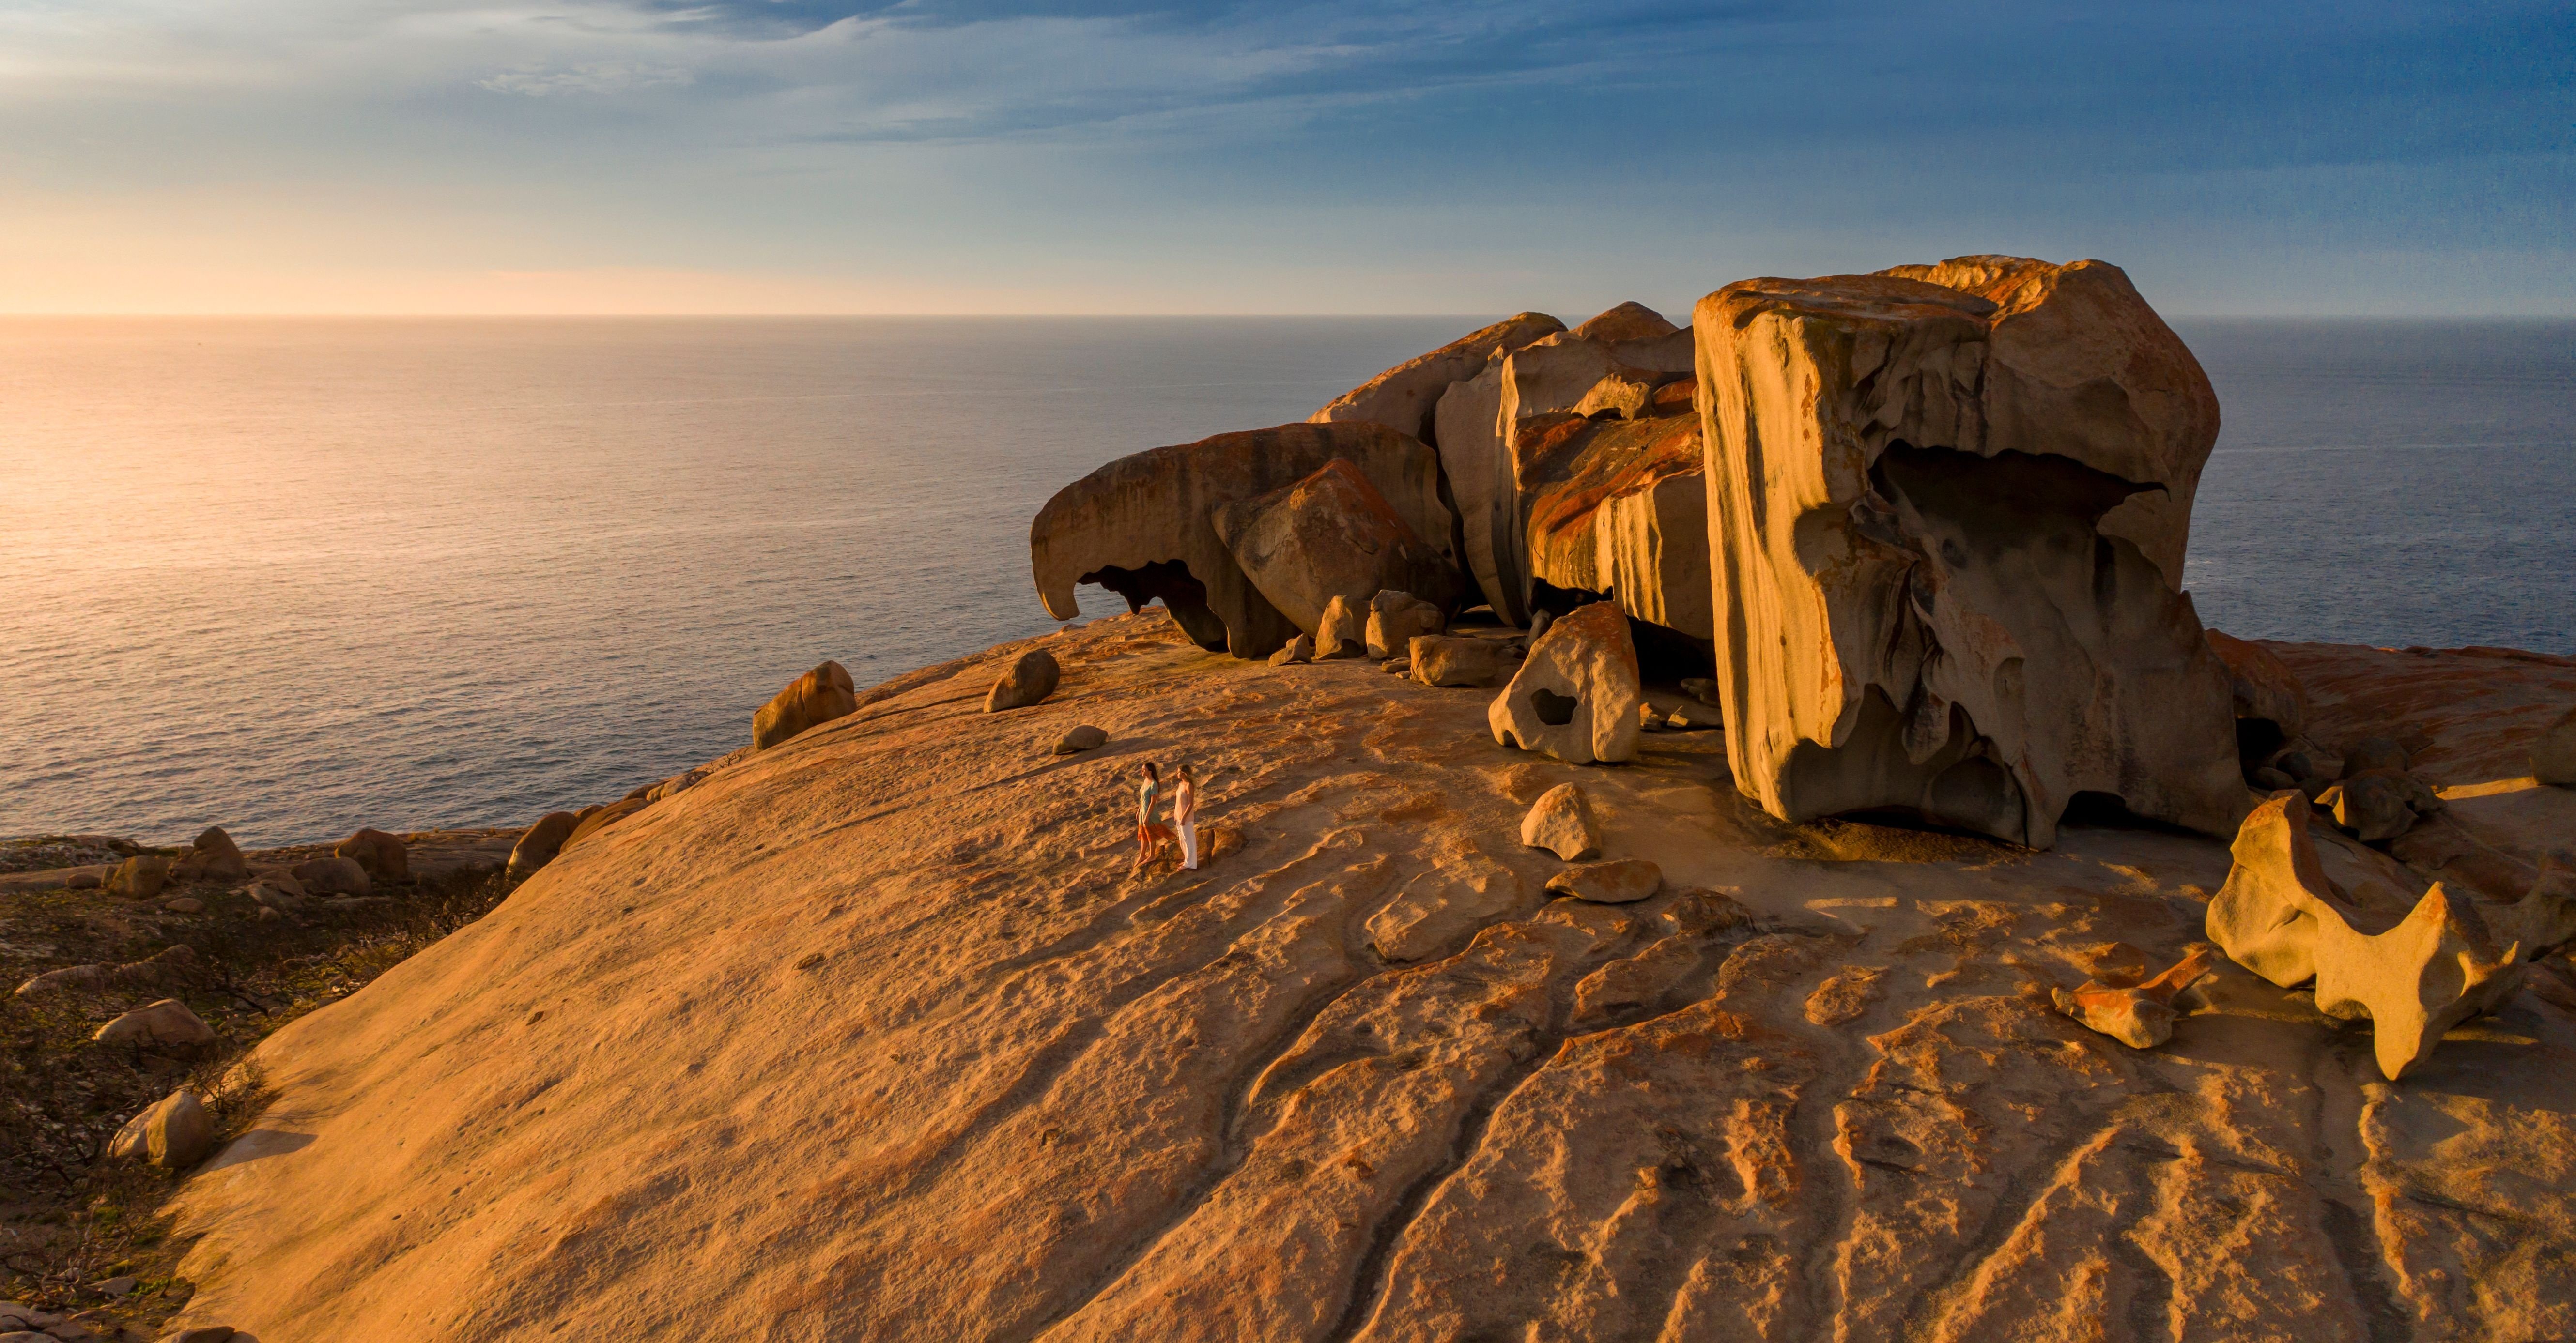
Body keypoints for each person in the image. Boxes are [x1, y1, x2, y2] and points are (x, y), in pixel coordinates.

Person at [1132, 762, 1162, 873]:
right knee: (1143, 835)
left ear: (1150, 771)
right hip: (1143, 813)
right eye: (1142, 769)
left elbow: (1153, 802)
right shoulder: (1145, 781)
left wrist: (1147, 816)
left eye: (1144, 770)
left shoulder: (1153, 784)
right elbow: (1143, 798)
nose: (1142, 771)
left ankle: (1152, 855)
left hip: (1150, 813)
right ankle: (1142, 856)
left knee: (1150, 835)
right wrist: (1139, 810)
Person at [1172, 764, 1199, 870]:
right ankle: (1187, 860)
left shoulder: (1189, 786)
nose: (1177, 774)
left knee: (1189, 840)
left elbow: (1190, 804)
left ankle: (1190, 864)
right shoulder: (1181, 784)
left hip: (1186, 816)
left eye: (1179, 772)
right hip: (1179, 815)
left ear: (1184, 773)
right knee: (1182, 839)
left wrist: (1184, 817)